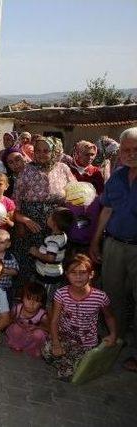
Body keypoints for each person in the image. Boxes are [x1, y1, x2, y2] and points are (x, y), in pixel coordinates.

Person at [90, 127, 137, 372]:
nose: (131, 154)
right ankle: (114, 341)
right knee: (113, 295)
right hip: (115, 245)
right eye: (126, 150)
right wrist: (95, 242)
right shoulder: (117, 177)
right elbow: (106, 210)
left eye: (135, 150)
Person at [42, 254, 117, 380]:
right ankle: (72, 362)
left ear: (91, 274)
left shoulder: (100, 297)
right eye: (73, 272)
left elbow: (109, 317)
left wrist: (113, 334)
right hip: (64, 338)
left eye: (82, 272)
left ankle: (80, 361)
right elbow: (54, 321)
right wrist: (56, 343)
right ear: (66, 274)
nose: (78, 277)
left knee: (67, 375)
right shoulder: (61, 294)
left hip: (85, 344)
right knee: (46, 351)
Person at [12, 136, 76, 278]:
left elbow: (74, 192)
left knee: (51, 262)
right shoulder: (26, 170)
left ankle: (49, 294)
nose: (41, 154)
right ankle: (27, 296)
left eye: (46, 151)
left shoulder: (63, 169)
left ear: (54, 151)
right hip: (31, 225)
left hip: (56, 225)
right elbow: (15, 202)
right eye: (38, 150)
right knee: (28, 264)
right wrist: (23, 222)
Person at [29, 207, 75, 305]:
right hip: (49, 273)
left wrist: (36, 252)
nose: (47, 217)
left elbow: (50, 258)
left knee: (46, 300)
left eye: (50, 216)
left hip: (48, 276)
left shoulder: (53, 240)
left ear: (54, 224)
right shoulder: (62, 235)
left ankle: (47, 318)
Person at [5, 282, 48, 358]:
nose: (32, 303)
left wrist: (37, 327)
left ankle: (33, 349)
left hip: (31, 335)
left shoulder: (42, 315)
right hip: (20, 333)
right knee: (16, 328)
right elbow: (9, 321)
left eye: (36, 301)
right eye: (28, 299)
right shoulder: (18, 308)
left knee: (39, 334)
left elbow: (49, 329)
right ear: (22, 298)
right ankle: (16, 345)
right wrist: (18, 323)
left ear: (41, 303)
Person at [0, 229, 19, 306]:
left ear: (8, 244)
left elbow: (15, 271)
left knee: (5, 305)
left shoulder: (10, 257)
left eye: (2, 242)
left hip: (5, 289)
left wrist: (5, 271)